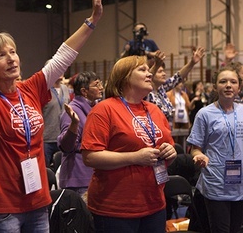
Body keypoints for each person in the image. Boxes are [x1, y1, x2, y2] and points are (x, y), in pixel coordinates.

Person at [0, 0, 108, 231]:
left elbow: (63, 56)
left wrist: (92, 19)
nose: (11, 58)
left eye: (13, 52)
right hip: (4, 206)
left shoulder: (30, 89)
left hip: (37, 201)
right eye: (1, 55)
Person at [80, 55, 177, 233]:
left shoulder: (154, 110)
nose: (149, 74)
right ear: (125, 77)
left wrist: (170, 152)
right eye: (142, 70)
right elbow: (90, 156)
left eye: (149, 70)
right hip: (115, 208)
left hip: (154, 204)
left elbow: (167, 147)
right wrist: (135, 157)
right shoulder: (104, 109)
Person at [187, 66, 243, 233]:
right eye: (223, 81)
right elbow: (195, 148)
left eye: (233, 82)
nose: (228, 85)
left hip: (240, 185)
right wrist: (198, 156)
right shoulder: (205, 114)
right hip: (216, 183)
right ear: (215, 86)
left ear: (239, 87)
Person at [57, 71, 103, 196]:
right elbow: (66, 147)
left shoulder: (98, 108)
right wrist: (74, 124)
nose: (101, 88)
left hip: (95, 173)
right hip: (78, 178)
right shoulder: (72, 111)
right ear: (84, 91)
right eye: (97, 85)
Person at [147, 47, 206, 123]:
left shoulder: (161, 88)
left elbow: (178, 77)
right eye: (160, 71)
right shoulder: (145, 92)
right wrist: (156, 66)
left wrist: (192, 63)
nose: (164, 74)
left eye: (163, 71)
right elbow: (146, 77)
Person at [43, 75, 70, 167]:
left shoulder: (65, 89)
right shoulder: (43, 90)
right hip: (47, 138)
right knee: (46, 171)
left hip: (62, 137)